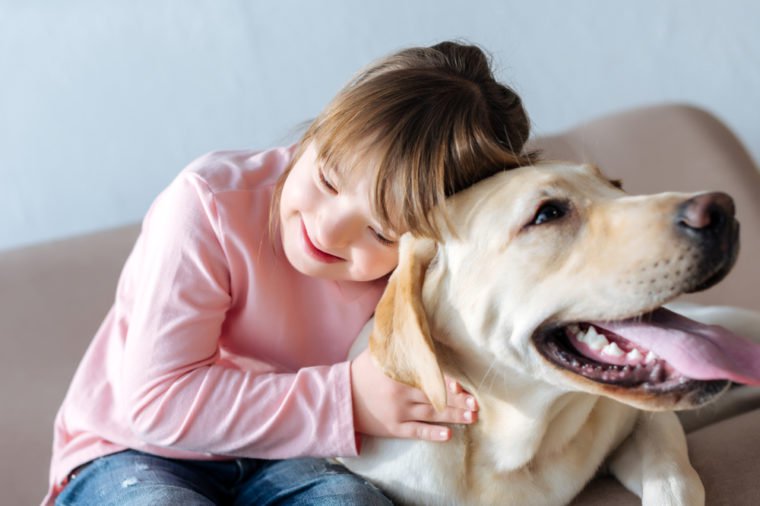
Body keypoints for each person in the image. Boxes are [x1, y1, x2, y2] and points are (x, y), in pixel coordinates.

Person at [45, 40, 535, 505]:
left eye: (381, 233)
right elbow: (158, 404)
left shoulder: (421, 265)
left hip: (284, 454)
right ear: (315, 132)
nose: (328, 229)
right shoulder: (209, 207)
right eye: (327, 179)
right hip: (130, 450)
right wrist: (349, 400)